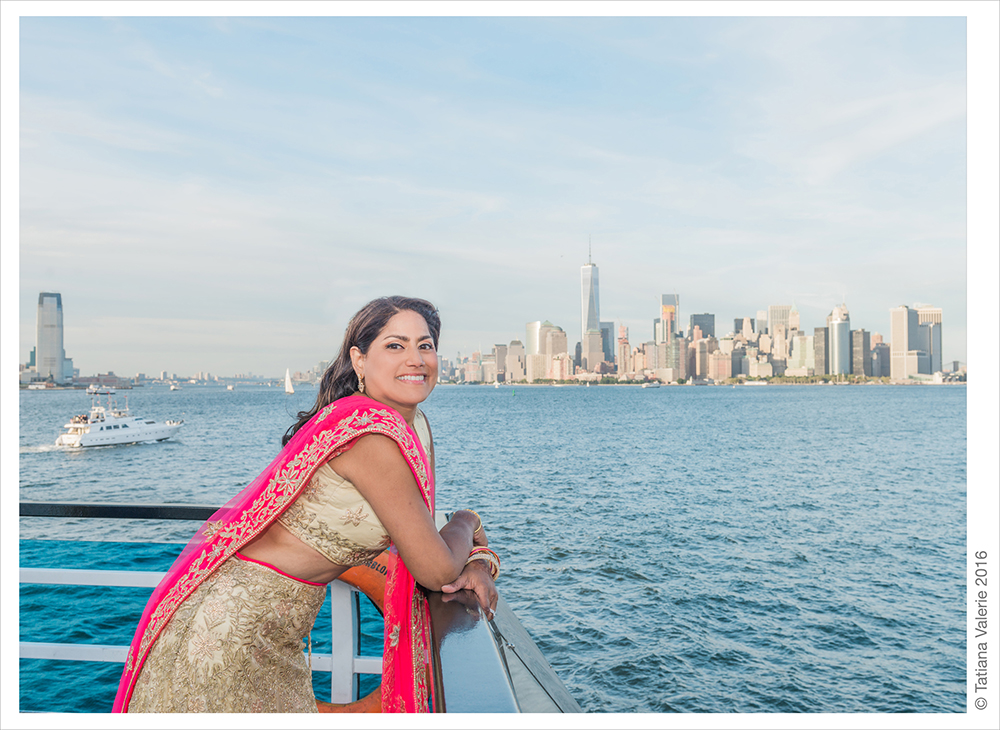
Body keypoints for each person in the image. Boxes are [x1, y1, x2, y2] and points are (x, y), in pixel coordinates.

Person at [113, 296, 499, 713]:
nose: (415, 359)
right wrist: (467, 520)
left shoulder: (408, 423)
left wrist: (474, 558)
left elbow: (419, 536)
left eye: (425, 346)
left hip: (274, 634)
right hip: (228, 634)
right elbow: (436, 569)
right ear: (359, 359)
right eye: (395, 345)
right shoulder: (371, 439)